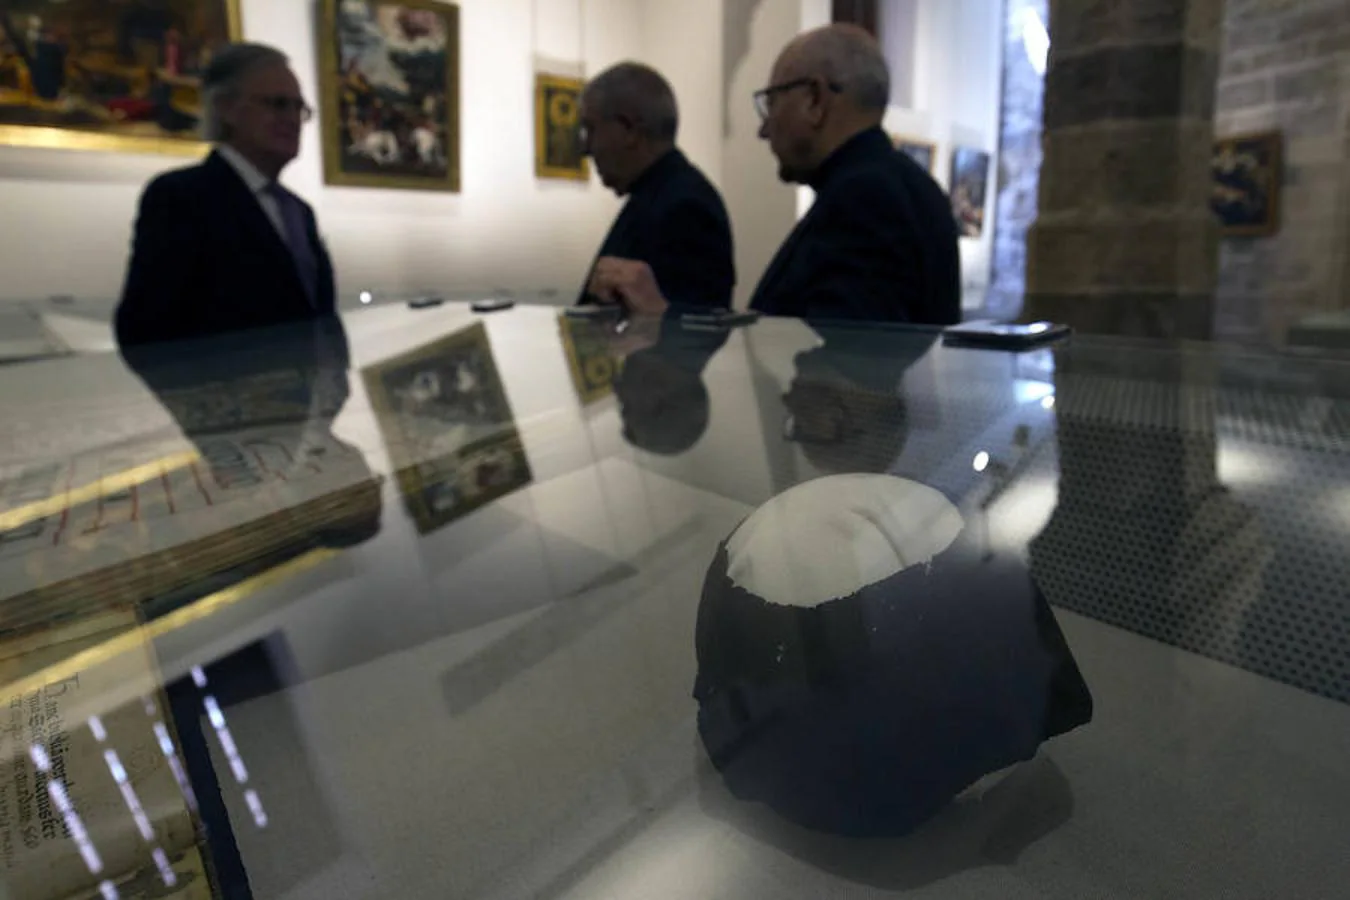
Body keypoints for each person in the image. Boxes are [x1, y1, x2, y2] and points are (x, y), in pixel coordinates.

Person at [589, 25, 961, 326]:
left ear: (814, 100)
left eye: (772, 102)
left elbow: (847, 367)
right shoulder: (908, 185)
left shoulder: (865, 197)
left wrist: (660, 317)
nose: (764, 130)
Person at [116, 42, 336, 347]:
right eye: (277, 104)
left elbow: (320, 318)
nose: (292, 118)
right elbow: (144, 328)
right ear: (226, 108)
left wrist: (336, 383)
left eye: (298, 107)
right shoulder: (180, 198)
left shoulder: (299, 211)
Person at [578, 62, 735, 310]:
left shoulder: (685, 207)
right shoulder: (660, 194)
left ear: (629, 129)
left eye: (590, 129)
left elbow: (694, 334)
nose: (585, 148)